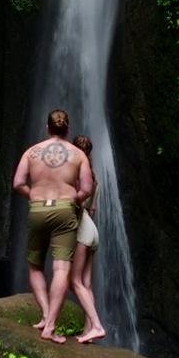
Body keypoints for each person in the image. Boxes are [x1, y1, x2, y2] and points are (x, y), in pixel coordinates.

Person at [12, 109, 92, 344]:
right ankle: (51, 327)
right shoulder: (78, 155)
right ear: (67, 129)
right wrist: (71, 199)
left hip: (37, 208)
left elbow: (18, 183)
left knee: (35, 266)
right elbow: (86, 189)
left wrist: (33, 195)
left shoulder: (31, 152)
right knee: (61, 269)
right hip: (65, 209)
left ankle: (45, 315)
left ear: (47, 128)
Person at [69, 134, 106, 344]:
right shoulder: (96, 178)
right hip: (93, 231)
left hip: (83, 230)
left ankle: (96, 325)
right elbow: (93, 210)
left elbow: (79, 206)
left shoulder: (77, 174)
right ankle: (88, 330)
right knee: (86, 283)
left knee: (74, 281)